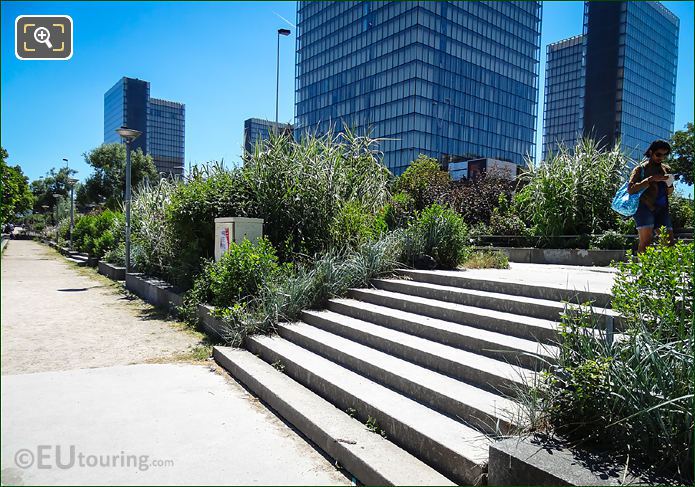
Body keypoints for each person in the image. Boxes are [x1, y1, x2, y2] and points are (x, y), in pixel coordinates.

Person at [627, 140, 675, 253]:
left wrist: (670, 184)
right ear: (651, 152)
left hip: (662, 208)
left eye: (665, 154)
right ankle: (643, 269)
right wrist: (650, 179)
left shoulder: (666, 169)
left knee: (669, 242)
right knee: (646, 242)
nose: (661, 157)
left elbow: (669, 192)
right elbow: (631, 189)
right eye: (658, 154)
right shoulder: (640, 169)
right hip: (644, 207)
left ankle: (666, 268)